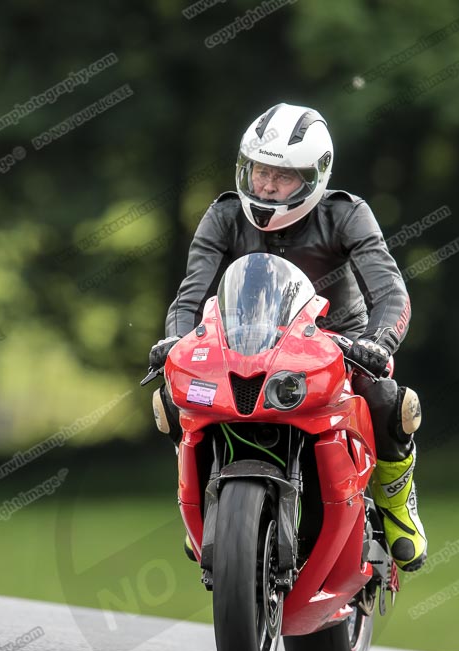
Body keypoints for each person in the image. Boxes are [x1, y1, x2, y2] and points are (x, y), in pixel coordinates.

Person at [149, 102, 427, 572]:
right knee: (173, 398)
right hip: (241, 339)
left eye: (282, 176)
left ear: (315, 176)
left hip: (336, 339)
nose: (266, 186)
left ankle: (397, 505)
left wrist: (378, 342)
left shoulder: (347, 214)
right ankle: (203, 504)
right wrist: (176, 342)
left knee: (388, 400)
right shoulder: (223, 214)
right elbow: (189, 297)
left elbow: (391, 293)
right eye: (260, 171)